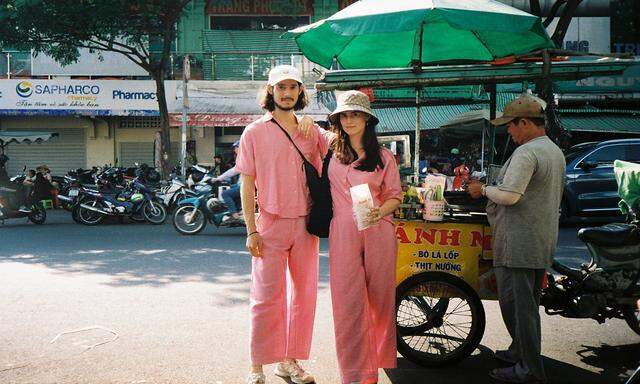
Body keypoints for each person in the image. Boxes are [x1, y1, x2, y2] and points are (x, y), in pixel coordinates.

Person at [235, 65, 328, 384]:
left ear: (301, 92)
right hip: (270, 224)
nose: (287, 93)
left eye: (293, 87)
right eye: (281, 87)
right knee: (265, 296)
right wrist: (251, 229)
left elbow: (342, 152)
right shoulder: (254, 132)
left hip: (306, 224)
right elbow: (247, 185)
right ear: (270, 91)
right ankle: (257, 365)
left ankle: (290, 361)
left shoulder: (311, 131)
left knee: (303, 296)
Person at [468, 94, 565, 384]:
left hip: (520, 242)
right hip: (539, 239)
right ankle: (518, 351)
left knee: (519, 308)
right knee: (526, 306)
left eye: (511, 126)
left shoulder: (527, 152)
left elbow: (510, 195)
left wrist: (484, 190)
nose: (509, 131)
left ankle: (530, 370)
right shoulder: (552, 150)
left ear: (524, 123)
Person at [326, 90, 402, 384]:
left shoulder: (383, 156)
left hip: (377, 230)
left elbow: (396, 196)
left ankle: (378, 360)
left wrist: (380, 212)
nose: (349, 120)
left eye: (355, 114)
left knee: (380, 299)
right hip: (343, 231)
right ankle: (354, 372)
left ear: (367, 119)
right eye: (344, 115)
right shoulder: (332, 150)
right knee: (347, 303)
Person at [213, 141, 242, 222]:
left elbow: (233, 171)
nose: (235, 150)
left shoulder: (245, 159)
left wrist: (219, 178)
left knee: (225, 193)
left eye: (236, 148)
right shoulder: (244, 157)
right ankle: (237, 209)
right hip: (242, 184)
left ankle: (234, 215)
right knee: (229, 188)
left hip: (245, 186)